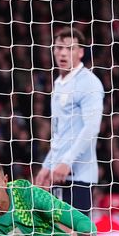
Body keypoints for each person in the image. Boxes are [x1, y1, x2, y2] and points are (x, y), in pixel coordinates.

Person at [35, 27, 104, 216]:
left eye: (70, 48)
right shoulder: (59, 83)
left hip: (79, 176)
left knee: (78, 234)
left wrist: (67, 162)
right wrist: (47, 165)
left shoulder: (89, 83)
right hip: (59, 174)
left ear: (81, 52)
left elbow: (91, 128)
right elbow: (60, 134)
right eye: (59, 48)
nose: (63, 53)